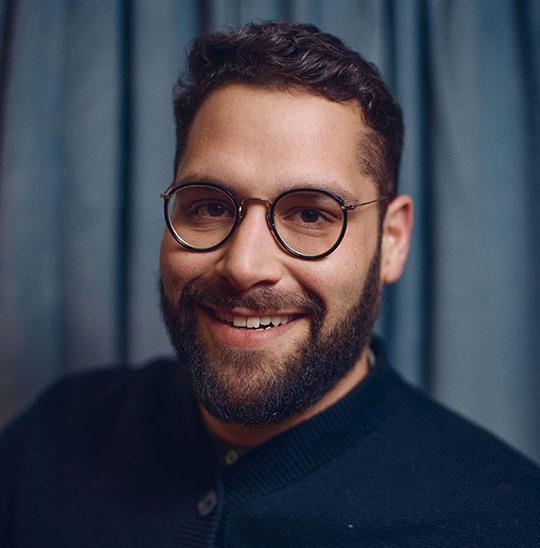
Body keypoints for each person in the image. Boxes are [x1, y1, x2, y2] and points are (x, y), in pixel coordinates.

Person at [1, 21, 539, 548]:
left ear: (392, 241)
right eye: (210, 206)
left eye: (310, 215)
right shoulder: (49, 440)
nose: (244, 265)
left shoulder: (502, 521)